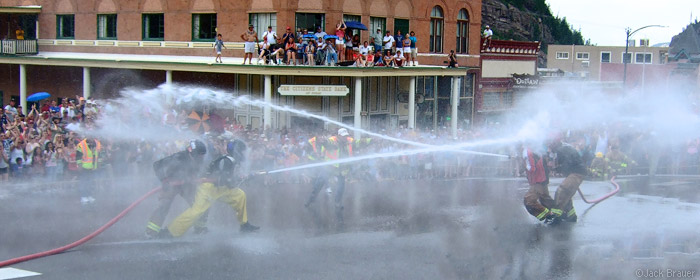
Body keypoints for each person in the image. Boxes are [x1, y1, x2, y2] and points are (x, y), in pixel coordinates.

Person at [164, 140, 259, 237]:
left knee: (240, 195)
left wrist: (245, 178)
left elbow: (229, 180)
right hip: (208, 187)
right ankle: (170, 231)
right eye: (243, 151)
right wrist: (239, 178)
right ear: (237, 151)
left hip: (220, 188)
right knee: (197, 211)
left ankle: (244, 225)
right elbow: (225, 179)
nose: (244, 154)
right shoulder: (227, 161)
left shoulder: (231, 161)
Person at [145, 140, 209, 238]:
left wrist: (194, 179)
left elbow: (199, 171)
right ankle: (150, 232)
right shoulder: (177, 158)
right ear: (192, 153)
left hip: (186, 184)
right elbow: (157, 165)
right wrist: (164, 180)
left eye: (202, 156)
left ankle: (200, 228)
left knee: (200, 204)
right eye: (199, 156)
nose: (201, 158)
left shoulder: (198, 159)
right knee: (164, 206)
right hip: (172, 184)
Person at [549, 135, 587, 224]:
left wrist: (559, 169)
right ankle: (571, 216)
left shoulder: (561, 150)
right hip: (576, 171)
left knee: (562, 191)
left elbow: (567, 162)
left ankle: (557, 216)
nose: (549, 148)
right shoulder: (563, 147)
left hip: (577, 172)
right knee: (568, 194)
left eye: (550, 146)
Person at [522, 146, 556, 223]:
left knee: (528, 201)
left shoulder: (527, 152)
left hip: (538, 180)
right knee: (545, 199)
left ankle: (549, 215)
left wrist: (524, 165)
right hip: (542, 178)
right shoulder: (531, 150)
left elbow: (532, 168)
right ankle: (559, 213)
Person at [76, 138, 102, 204]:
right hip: (84, 167)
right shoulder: (81, 145)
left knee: (90, 182)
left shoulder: (97, 143)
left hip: (93, 167)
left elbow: (99, 154)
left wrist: (99, 163)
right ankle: (83, 196)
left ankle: (89, 195)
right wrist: (79, 165)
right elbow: (78, 157)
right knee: (84, 182)